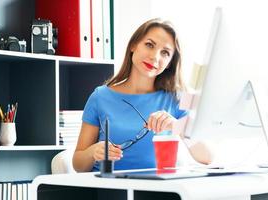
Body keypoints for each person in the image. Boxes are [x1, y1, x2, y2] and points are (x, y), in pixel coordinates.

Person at [73, 18, 212, 172]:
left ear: (170, 63)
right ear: (134, 45)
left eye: (165, 53)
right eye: (149, 45)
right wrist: (93, 153)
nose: (155, 57)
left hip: (159, 190)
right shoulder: (100, 97)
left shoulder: (178, 98)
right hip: (110, 188)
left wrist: (177, 126)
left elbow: (207, 157)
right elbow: (78, 165)